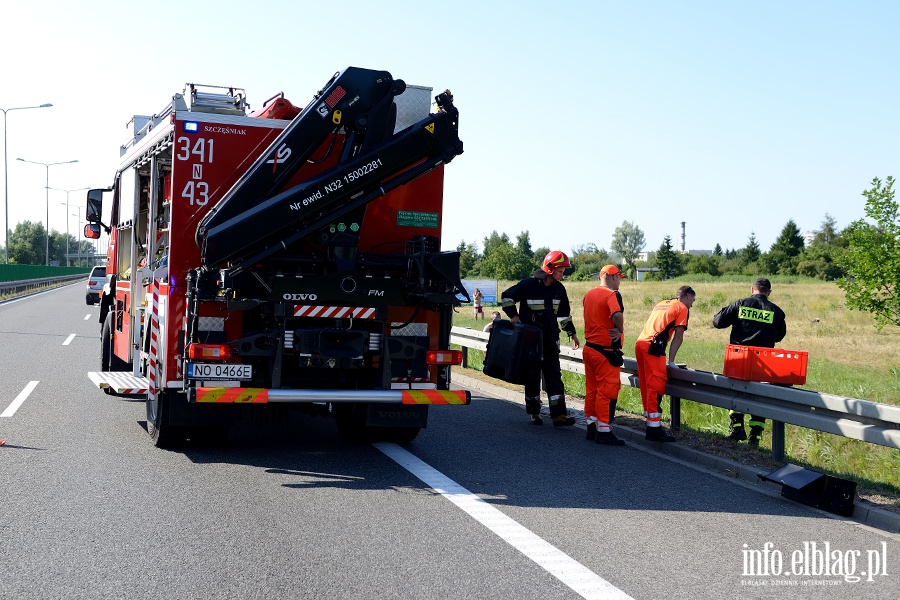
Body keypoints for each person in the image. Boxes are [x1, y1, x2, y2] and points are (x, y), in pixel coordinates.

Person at [500, 250, 581, 427]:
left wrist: (572, 332)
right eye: (561, 270)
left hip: (550, 341)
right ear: (550, 269)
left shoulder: (559, 289)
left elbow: (564, 315)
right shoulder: (528, 285)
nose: (563, 274)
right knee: (532, 376)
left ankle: (559, 416)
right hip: (530, 343)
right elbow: (506, 297)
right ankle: (535, 412)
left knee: (554, 377)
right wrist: (513, 315)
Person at [713, 277, 787, 447]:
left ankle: (737, 427)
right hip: (764, 360)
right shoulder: (776, 311)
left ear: (752, 289)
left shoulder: (740, 304)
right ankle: (755, 435)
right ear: (769, 293)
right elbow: (780, 336)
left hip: (740, 358)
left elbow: (718, 322)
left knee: (737, 391)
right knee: (759, 396)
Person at [634, 285, 696, 442]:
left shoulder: (662, 303)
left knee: (647, 386)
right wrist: (672, 361)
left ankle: (651, 426)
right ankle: (654, 430)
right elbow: (678, 337)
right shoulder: (682, 307)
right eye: (693, 300)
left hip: (641, 343)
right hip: (653, 348)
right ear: (687, 296)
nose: (692, 305)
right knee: (656, 386)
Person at [582, 265, 627, 446]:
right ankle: (604, 430)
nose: (619, 281)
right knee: (606, 392)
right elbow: (616, 314)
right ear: (611, 276)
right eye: (618, 277)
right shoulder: (611, 295)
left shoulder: (589, 294)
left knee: (592, 389)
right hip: (605, 352)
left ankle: (591, 425)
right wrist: (620, 330)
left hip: (590, 348)